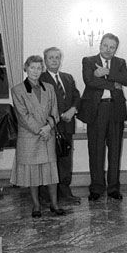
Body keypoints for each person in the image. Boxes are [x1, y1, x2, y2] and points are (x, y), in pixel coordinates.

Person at [78, 33, 127, 201]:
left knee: (115, 151)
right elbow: (89, 81)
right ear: (100, 45)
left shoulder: (120, 62)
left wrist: (106, 72)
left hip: (116, 109)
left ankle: (113, 188)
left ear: (116, 49)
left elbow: (126, 79)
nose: (108, 50)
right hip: (97, 110)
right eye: (106, 46)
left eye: (112, 47)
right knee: (96, 151)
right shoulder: (88, 60)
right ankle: (96, 188)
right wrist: (113, 84)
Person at [10, 55, 65, 217]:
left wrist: (48, 127)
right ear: (25, 68)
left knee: (51, 173)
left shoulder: (49, 87)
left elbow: (55, 112)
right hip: (30, 137)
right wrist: (40, 130)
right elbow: (22, 115)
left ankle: (54, 205)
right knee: (32, 174)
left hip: (48, 135)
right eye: (32, 67)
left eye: (39, 68)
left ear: (43, 69)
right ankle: (36, 206)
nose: (35, 71)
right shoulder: (17, 90)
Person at [39, 46, 81, 204]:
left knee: (65, 162)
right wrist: (59, 114)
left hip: (67, 126)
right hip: (49, 127)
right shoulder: (40, 79)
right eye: (51, 58)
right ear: (45, 61)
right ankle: (47, 196)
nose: (54, 60)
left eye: (57, 57)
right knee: (49, 162)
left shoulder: (68, 77)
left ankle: (65, 193)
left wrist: (73, 110)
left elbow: (77, 97)